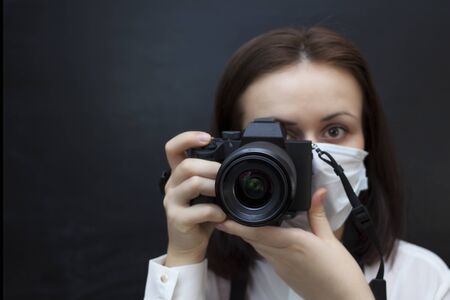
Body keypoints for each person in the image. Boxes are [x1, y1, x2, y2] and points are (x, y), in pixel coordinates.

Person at [144, 27, 450, 300]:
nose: (311, 159)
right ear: (230, 152)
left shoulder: (423, 279)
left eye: (334, 131)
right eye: (282, 136)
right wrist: (185, 257)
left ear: (369, 139)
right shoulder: (206, 280)